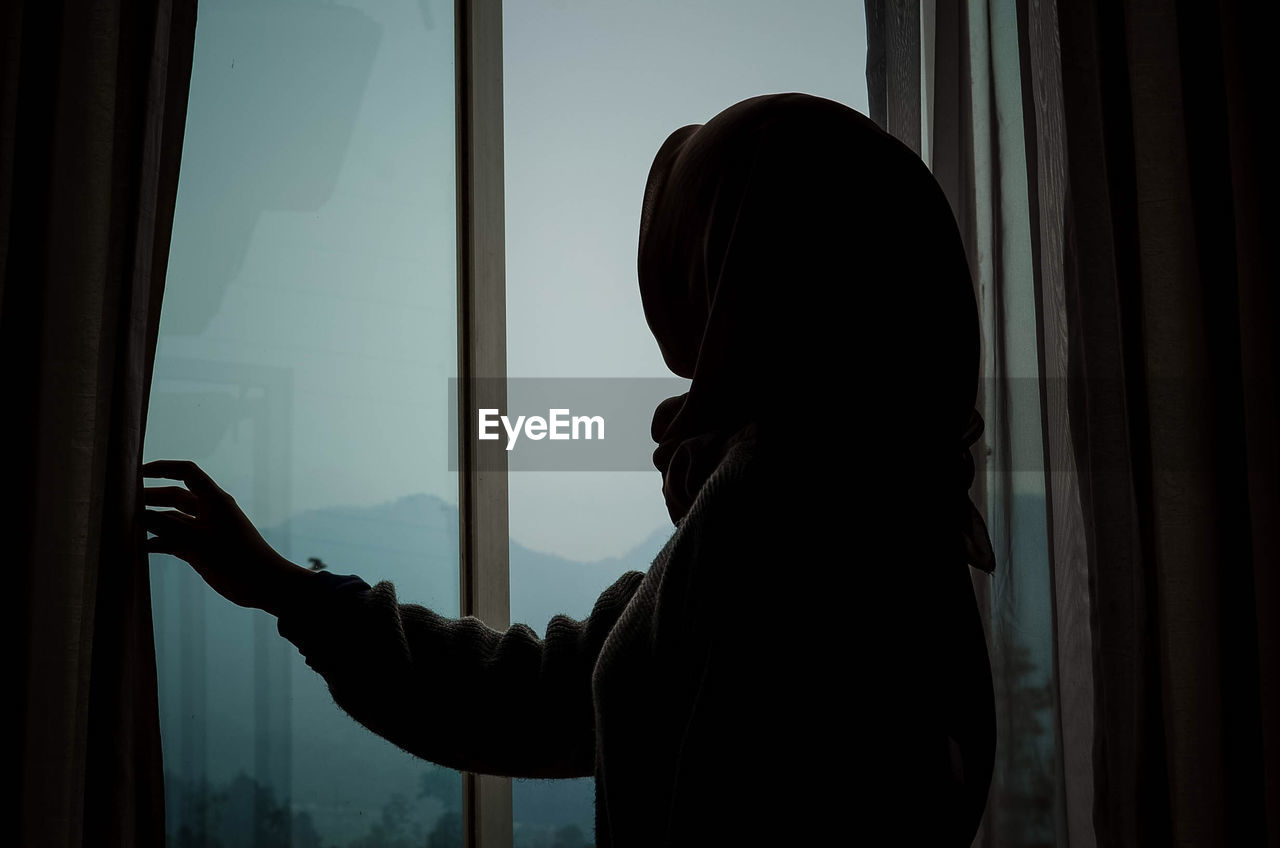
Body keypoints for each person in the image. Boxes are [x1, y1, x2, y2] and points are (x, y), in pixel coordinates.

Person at [144, 92, 996, 846]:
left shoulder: (781, 508)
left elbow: (551, 702)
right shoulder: (879, 501)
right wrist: (293, 591)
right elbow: (552, 690)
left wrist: (291, 592)